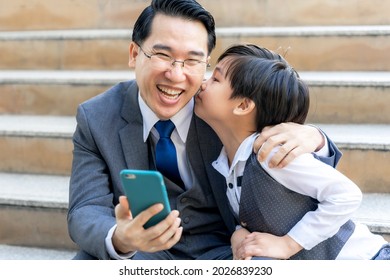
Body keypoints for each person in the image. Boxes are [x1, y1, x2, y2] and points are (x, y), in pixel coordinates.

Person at [67, 0, 341, 260]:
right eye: (163, 55)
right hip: (143, 253)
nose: (176, 75)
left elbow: (277, 108)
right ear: (134, 54)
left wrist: (316, 139)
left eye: (192, 60)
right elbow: (85, 208)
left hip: (227, 248)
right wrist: (122, 238)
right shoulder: (96, 117)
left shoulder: (220, 106)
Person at [194, 43, 390, 260]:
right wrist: (239, 233)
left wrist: (288, 244)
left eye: (215, 79)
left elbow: (346, 195)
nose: (202, 83)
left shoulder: (272, 154)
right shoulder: (226, 161)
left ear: (242, 106)